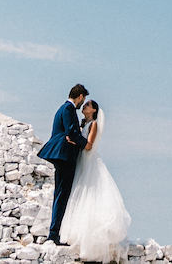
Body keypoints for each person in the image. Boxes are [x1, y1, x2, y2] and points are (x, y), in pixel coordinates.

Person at [60, 99, 132, 262]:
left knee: (89, 194)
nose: (84, 106)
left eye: (87, 105)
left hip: (88, 161)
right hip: (82, 161)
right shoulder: (84, 123)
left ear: (93, 111)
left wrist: (75, 142)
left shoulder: (93, 125)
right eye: (84, 105)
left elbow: (89, 145)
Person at [37, 84, 89, 245]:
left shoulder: (64, 108)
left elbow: (71, 133)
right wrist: (86, 144)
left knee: (61, 193)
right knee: (62, 194)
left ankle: (56, 232)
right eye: (83, 99)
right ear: (80, 96)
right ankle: (54, 234)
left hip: (62, 155)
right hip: (64, 156)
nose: (83, 103)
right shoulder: (68, 109)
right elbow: (71, 132)